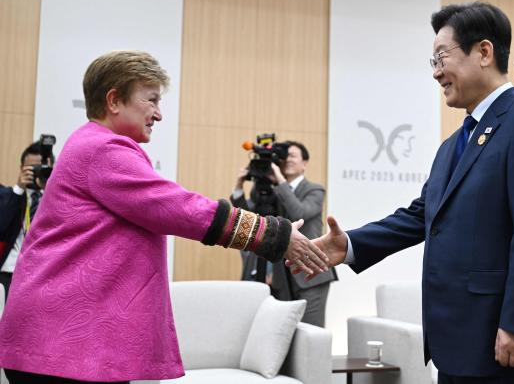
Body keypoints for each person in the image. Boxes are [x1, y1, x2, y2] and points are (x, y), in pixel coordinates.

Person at [0, 50, 328, 384]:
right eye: (152, 100)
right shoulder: (103, 149)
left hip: (67, 339)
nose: (159, 114)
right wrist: (274, 235)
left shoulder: (93, 144)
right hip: (63, 341)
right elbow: (178, 208)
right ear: (114, 100)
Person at [299, 2, 514, 383]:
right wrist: (351, 246)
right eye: (433, 62)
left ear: (484, 52)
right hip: (456, 339)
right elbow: (421, 214)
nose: (437, 72)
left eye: (442, 57)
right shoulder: (453, 143)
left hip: (503, 339)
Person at [232, 142, 337, 327]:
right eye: (285, 156)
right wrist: (239, 186)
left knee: (311, 332)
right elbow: (248, 220)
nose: (288, 159)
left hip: (310, 271)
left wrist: (280, 181)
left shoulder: (314, 190)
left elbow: (299, 213)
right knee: (283, 333)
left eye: (293, 156)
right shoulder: (273, 193)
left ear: (305, 163)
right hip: (282, 275)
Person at [0, 142, 53, 299]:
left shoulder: (55, 198)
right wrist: (18, 189)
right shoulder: (8, 195)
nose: (37, 173)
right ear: (21, 168)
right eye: (31, 169)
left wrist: (49, 188)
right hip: (10, 272)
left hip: (43, 273)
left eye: (41, 169)